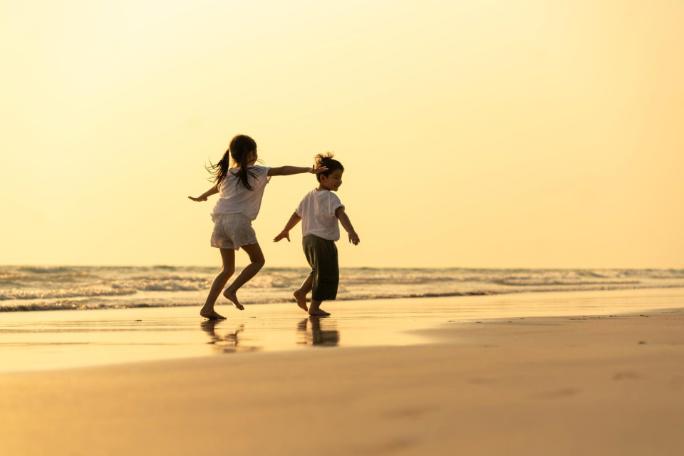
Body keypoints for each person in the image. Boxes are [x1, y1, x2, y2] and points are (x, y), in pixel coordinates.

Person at [189, 134, 327, 320]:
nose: (256, 155)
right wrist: (308, 170)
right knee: (258, 261)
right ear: (250, 154)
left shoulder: (228, 174)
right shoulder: (257, 171)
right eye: (254, 152)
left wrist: (203, 195)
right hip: (238, 221)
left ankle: (207, 307)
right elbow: (282, 170)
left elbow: (217, 187)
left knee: (227, 269)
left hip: (219, 222)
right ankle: (231, 290)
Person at [274, 153, 359, 317]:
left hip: (307, 239)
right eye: (336, 177)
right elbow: (341, 214)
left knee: (318, 270)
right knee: (326, 273)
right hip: (322, 240)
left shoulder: (309, 195)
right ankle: (314, 307)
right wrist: (351, 231)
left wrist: (286, 230)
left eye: (341, 178)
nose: (339, 181)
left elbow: (297, 215)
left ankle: (301, 292)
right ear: (323, 178)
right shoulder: (331, 197)